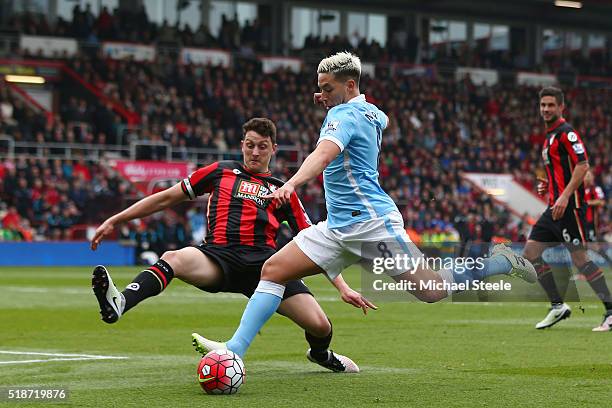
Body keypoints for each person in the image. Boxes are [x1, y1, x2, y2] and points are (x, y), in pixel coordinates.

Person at [193, 52, 537, 359]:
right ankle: (234, 351)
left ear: (350, 85)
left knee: (430, 290)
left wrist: (293, 184)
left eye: (327, 88)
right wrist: (336, 100)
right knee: (272, 270)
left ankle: (500, 261)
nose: (322, 95)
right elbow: (380, 117)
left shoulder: (344, 116)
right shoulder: (368, 112)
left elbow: (323, 154)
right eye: (320, 88)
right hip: (337, 226)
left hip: (372, 225)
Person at [90, 117, 363, 372]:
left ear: (273, 149)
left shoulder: (283, 189)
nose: (255, 152)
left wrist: (343, 287)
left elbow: (315, 244)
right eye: (250, 145)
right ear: (242, 145)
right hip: (218, 257)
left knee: (320, 325)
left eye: (262, 147)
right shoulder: (220, 172)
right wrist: (117, 218)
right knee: (174, 257)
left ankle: (320, 355)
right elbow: (166, 197)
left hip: (268, 267)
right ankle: (121, 302)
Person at [523, 87, 612, 331]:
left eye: (551, 105)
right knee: (530, 254)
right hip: (554, 207)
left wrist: (564, 195)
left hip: (569, 207)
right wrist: (549, 185)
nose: (546, 109)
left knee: (581, 260)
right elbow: (561, 171)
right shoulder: (549, 136)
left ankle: (611, 311)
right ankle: (557, 306)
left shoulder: (566, 133)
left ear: (561, 107)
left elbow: (583, 166)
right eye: (543, 105)